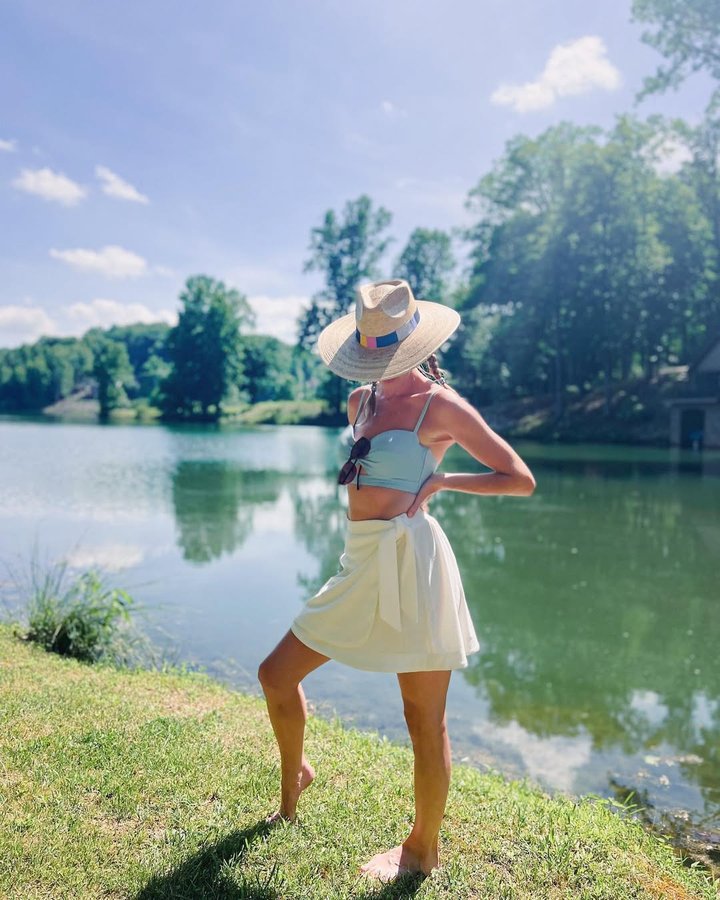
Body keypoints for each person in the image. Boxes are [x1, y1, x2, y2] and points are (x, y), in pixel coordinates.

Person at [257, 279, 536, 883]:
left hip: (413, 564)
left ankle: (421, 850)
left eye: (385, 352)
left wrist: (442, 482)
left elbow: (518, 477)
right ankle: (294, 777)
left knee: (423, 718)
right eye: (369, 352)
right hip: (359, 561)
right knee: (275, 674)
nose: (376, 365)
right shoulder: (360, 402)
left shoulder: (443, 407)